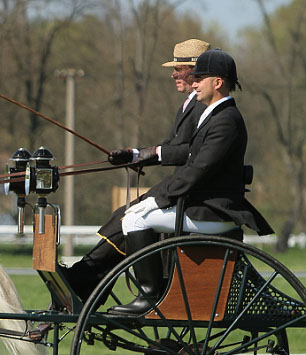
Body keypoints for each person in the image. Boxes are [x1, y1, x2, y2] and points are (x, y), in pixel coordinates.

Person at [109, 48, 274, 315]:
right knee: (134, 216)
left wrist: (159, 198)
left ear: (217, 83)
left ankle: (150, 296)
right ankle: (161, 288)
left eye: (200, 78)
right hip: (203, 205)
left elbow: (199, 168)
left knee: (134, 220)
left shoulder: (226, 121)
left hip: (215, 210)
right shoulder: (214, 115)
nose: (193, 83)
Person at [63, 39, 211, 301]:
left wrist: (150, 153)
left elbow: (190, 150)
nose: (173, 74)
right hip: (178, 187)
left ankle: (86, 278)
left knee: (127, 217)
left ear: (195, 71)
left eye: (178, 69)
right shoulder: (190, 104)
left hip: (188, 192)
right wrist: (133, 154)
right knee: (123, 215)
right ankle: (87, 277)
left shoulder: (202, 106)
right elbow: (172, 147)